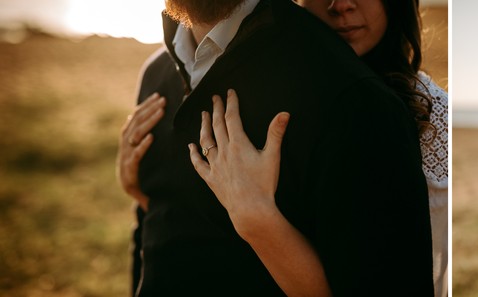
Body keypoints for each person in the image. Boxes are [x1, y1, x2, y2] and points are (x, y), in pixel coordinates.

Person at [116, 0, 434, 295]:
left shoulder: (355, 101)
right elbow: (159, 243)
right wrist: (139, 192)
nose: (341, 5)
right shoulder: (156, 74)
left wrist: (259, 222)